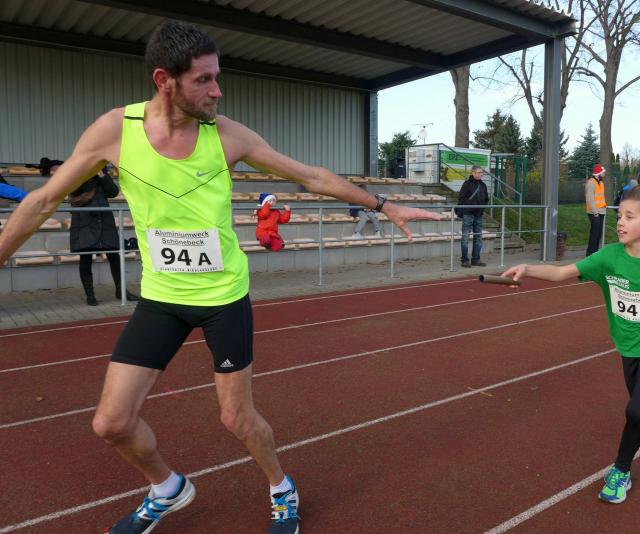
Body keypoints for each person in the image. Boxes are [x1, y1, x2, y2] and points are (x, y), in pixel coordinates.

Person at [0, 20, 442, 534]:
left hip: (223, 297)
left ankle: (281, 487)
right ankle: (167, 488)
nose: (217, 90)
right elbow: (42, 201)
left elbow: (308, 176)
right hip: (161, 297)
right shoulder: (115, 131)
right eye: (204, 80)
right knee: (111, 423)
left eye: (217, 77)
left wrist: (383, 204)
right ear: (164, 80)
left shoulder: (227, 135)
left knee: (236, 419)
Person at [503, 185, 640, 504]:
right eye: (619, 216)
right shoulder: (609, 257)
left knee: (637, 410)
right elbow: (561, 273)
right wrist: (527, 268)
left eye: (629, 216)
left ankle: (621, 471)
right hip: (627, 345)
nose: (620, 222)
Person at [67, 164, 140, 305]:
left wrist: (102, 175)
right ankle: (90, 295)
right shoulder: (78, 169)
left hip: (104, 219)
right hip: (85, 220)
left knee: (114, 256)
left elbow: (113, 192)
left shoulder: (102, 171)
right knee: (86, 257)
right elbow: (73, 190)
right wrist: (89, 175)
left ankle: (121, 291)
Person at [457, 165, 488, 267]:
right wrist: (470, 207)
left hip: (479, 215)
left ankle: (476, 259)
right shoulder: (467, 184)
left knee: (478, 237)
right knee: (465, 237)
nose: (481, 174)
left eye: (482, 172)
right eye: (479, 172)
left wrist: (481, 209)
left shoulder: (483, 185)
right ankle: (464, 260)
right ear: (473, 173)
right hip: (468, 214)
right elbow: (461, 198)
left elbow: (486, 199)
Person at [585, 163, 607, 256]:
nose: (604, 174)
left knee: (598, 233)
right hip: (594, 212)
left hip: (601, 211)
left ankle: (595, 252)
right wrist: (595, 213)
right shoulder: (591, 183)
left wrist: (602, 211)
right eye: (603, 173)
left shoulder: (601, 183)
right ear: (598, 174)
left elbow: (600, 198)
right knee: (594, 233)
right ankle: (590, 252)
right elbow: (590, 199)